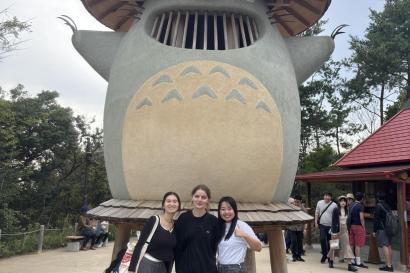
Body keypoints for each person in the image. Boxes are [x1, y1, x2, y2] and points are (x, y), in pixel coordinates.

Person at [128, 192, 180, 273]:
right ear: (163, 205)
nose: (171, 203)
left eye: (175, 201)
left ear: (178, 205)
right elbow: (140, 245)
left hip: (162, 267)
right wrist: (131, 269)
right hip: (147, 265)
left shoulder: (175, 226)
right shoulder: (154, 220)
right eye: (168, 201)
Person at [175, 184, 221, 273]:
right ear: (192, 198)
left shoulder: (214, 221)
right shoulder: (183, 219)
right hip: (186, 270)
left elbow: (215, 248)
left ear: (208, 200)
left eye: (203, 197)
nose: (199, 200)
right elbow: (178, 249)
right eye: (197, 196)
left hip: (208, 269)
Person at [217, 196, 262, 273]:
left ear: (234, 210)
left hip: (236, 269)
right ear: (219, 211)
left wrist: (244, 235)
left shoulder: (241, 225)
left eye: (229, 209)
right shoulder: (218, 227)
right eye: (223, 209)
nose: (226, 212)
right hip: (220, 268)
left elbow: (258, 247)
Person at [328, 196, 357, 272]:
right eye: (341, 201)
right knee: (334, 246)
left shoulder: (348, 210)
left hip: (345, 230)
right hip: (337, 230)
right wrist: (334, 233)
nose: (343, 202)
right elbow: (334, 222)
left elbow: (349, 221)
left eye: (344, 201)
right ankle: (331, 261)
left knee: (347, 247)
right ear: (339, 202)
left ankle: (349, 265)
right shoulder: (335, 210)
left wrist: (348, 229)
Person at [373, 191, 394, 272]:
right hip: (389, 228)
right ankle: (390, 264)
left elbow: (376, 219)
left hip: (382, 228)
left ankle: (388, 266)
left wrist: (374, 230)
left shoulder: (378, 206)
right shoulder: (388, 205)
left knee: (385, 245)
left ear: (378, 198)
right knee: (389, 245)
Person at [347, 192, 368, 269]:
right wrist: (364, 227)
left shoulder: (351, 205)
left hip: (351, 226)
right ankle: (358, 262)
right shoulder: (360, 206)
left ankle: (352, 260)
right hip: (358, 226)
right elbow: (361, 218)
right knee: (358, 245)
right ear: (362, 198)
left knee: (352, 244)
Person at [315, 192, 337, 263]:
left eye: (329, 196)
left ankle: (330, 257)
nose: (327, 197)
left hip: (331, 226)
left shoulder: (334, 205)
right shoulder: (319, 203)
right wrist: (316, 222)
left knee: (331, 242)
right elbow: (317, 213)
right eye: (326, 196)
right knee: (322, 239)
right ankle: (324, 254)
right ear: (324, 196)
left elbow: (336, 216)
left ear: (331, 197)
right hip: (322, 225)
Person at [288, 195, 305, 262]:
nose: (296, 203)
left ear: (300, 201)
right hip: (292, 227)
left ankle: (299, 256)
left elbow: (305, 214)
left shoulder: (302, 207)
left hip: (300, 227)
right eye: (295, 201)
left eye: (297, 202)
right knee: (294, 241)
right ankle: (294, 256)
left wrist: (301, 206)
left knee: (300, 242)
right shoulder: (290, 206)